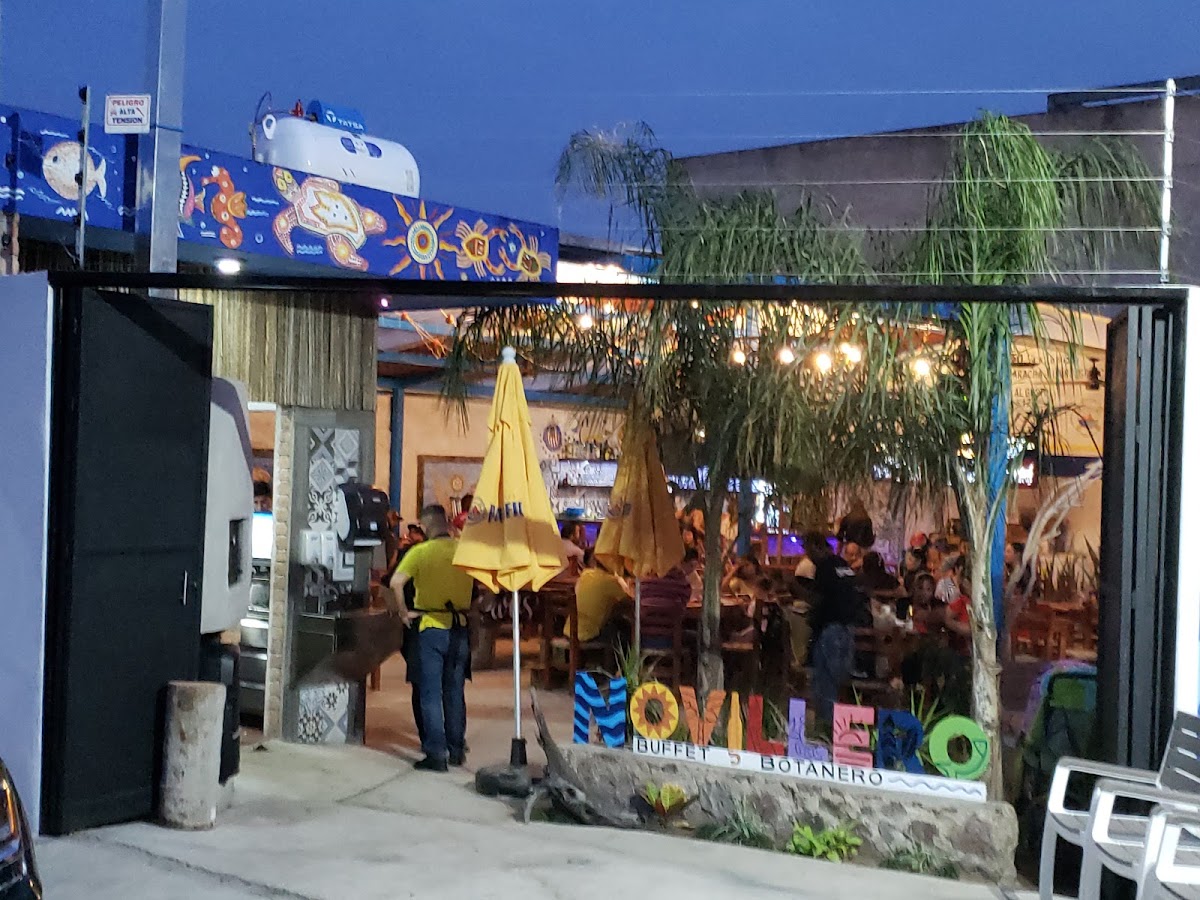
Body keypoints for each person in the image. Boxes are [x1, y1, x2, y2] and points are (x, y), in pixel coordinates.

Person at [387, 505, 476, 772]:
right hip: (460, 627)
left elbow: (395, 582)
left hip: (430, 627)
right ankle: (456, 750)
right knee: (455, 691)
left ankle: (436, 754)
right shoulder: (466, 551)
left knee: (430, 693)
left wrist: (403, 612)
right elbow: (488, 587)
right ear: (447, 524)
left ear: (425, 527)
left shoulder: (420, 552)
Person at [804, 530, 869, 723]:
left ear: (816, 547)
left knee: (825, 682)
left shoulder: (824, 568)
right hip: (847, 629)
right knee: (836, 680)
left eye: (808, 549)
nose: (808, 555)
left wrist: (798, 590)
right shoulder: (842, 565)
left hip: (830, 630)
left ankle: (827, 725)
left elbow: (818, 599)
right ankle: (836, 725)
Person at [569, 551, 630, 643]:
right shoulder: (611, 581)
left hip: (570, 631)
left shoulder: (586, 574)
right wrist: (620, 579)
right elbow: (629, 599)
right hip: (589, 635)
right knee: (623, 630)